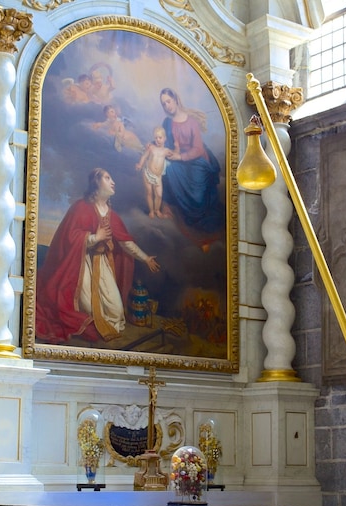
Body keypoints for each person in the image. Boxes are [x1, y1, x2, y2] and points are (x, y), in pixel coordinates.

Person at [36, 168, 161, 342]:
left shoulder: (112, 216)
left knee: (116, 312)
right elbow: (69, 237)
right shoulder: (81, 207)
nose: (113, 182)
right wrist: (96, 237)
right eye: (108, 178)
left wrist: (145, 258)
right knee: (89, 310)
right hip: (80, 264)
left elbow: (126, 243)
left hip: (102, 264)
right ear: (96, 182)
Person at [158, 87, 224, 249]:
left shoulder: (191, 122)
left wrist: (180, 157)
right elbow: (164, 143)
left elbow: (198, 149)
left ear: (176, 100)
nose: (167, 106)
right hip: (177, 158)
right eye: (163, 104)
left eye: (168, 101)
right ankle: (167, 207)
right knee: (168, 169)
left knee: (197, 196)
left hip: (196, 161)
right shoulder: (167, 123)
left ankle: (204, 231)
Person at [136, 126, 172, 218]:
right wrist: (140, 164)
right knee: (149, 192)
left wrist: (177, 147)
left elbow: (174, 154)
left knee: (159, 195)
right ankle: (152, 211)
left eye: (160, 138)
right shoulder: (151, 148)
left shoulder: (166, 151)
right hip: (148, 172)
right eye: (156, 138)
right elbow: (144, 156)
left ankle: (157, 210)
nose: (158, 140)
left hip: (158, 176)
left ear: (165, 138)